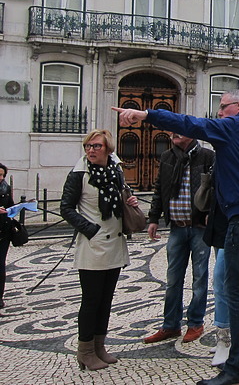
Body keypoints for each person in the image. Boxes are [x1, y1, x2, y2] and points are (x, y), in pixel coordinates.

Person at [114, 89, 239, 385]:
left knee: (238, 289)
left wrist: (147, 115)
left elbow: (193, 124)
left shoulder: (235, 127)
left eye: (222, 106)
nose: (219, 112)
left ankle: (238, 369)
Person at [60, 129, 140, 371]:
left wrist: (131, 200)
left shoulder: (115, 171)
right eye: (88, 146)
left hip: (115, 242)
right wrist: (90, 229)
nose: (91, 150)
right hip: (93, 245)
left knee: (106, 300)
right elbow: (66, 208)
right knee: (91, 299)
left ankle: (99, 346)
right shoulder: (78, 174)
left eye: (96, 146)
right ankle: (84, 351)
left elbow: (121, 197)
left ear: (108, 149)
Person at [143, 133, 215, 345]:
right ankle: (170, 324)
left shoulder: (207, 156)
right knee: (173, 279)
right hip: (176, 227)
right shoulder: (167, 157)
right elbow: (160, 188)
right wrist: (154, 218)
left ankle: (195, 323)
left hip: (199, 227)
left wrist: (212, 211)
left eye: (179, 131)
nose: (173, 134)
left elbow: (216, 187)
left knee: (199, 278)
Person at [203, 189, 230, 368]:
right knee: (221, 283)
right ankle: (226, 338)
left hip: (238, 222)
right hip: (219, 223)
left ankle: (225, 340)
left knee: (220, 281)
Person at [0, 163, 15, 309]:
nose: (0, 178)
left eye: (1, 175)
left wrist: (12, 210)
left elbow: (11, 206)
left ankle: (0, 297)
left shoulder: (5, 188)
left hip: (3, 231)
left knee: (1, 265)